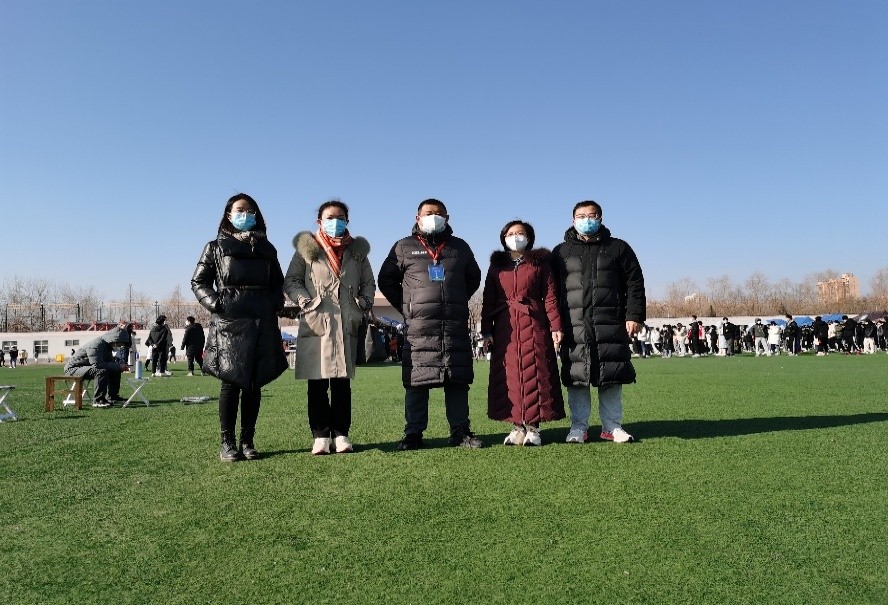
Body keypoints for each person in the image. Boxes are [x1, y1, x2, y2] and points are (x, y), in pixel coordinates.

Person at [378, 198, 483, 450]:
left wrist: (455, 301)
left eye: (438, 213)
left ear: (447, 218)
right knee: (416, 381)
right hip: (419, 328)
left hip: (453, 326)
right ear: (418, 217)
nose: (433, 217)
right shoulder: (403, 246)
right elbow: (386, 280)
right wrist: (409, 307)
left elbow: (474, 278)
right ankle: (413, 433)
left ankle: (460, 431)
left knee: (457, 381)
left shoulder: (460, 247)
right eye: (428, 213)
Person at [191, 193, 288, 462]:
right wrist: (217, 304)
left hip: (261, 320)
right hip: (229, 321)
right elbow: (199, 282)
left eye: (249, 211)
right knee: (230, 382)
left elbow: (278, 283)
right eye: (239, 210)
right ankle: (227, 442)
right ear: (228, 215)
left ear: (257, 215)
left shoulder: (267, 249)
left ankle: (248, 440)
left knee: (255, 383)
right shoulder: (215, 247)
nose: (245, 215)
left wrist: (274, 303)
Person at [283, 200, 376, 455]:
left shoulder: (357, 251)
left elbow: (369, 283)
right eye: (330, 217)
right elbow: (291, 281)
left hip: (346, 321)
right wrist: (305, 301)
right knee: (317, 382)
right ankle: (320, 436)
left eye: (341, 218)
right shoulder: (307, 249)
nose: (336, 222)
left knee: (342, 384)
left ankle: (342, 434)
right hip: (317, 320)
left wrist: (363, 303)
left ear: (347, 221)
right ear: (319, 221)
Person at [551, 199, 645, 444]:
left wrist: (634, 315)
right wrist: (554, 324)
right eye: (581, 216)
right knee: (577, 377)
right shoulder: (561, 252)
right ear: (573, 220)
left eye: (591, 216)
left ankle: (612, 426)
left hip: (610, 322)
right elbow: (551, 291)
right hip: (573, 324)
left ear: (600, 219)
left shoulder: (618, 248)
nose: (586, 220)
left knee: (610, 374)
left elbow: (635, 283)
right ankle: (578, 427)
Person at [480, 219, 564, 446]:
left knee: (535, 372)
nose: (516, 237)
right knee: (509, 376)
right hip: (504, 327)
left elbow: (550, 297)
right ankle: (517, 427)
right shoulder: (497, 266)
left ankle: (534, 428)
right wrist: (486, 330)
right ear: (503, 238)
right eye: (511, 233)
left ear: (529, 238)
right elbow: (488, 300)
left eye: (520, 233)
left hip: (535, 323)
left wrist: (556, 326)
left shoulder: (540, 264)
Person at [63, 323, 135, 407]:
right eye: (120, 344)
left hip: (85, 367)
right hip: (73, 369)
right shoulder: (96, 345)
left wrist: (119, 366)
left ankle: (113, 397)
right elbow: (97, 365)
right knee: (101, 372)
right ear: (114, 340)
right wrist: (118, 366)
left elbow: (109, 363)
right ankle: (98, 400)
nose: (120, 346)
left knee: (115, 370)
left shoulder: (107, 346)